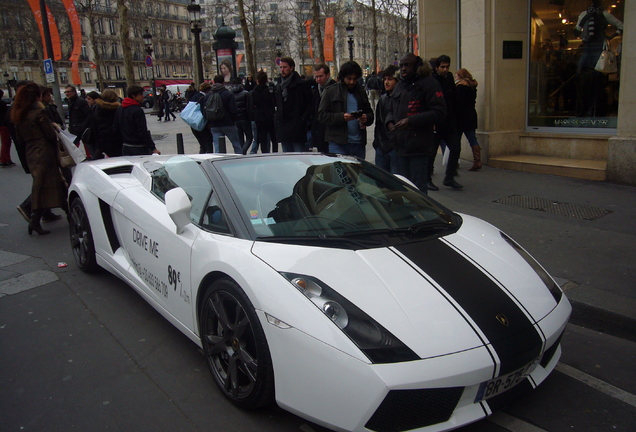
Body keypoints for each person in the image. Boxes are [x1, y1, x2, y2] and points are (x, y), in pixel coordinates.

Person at [10, 82, 68, 235]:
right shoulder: (38, 113)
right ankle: (35, 218)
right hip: (45, 152)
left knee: (51, 184)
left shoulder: (19, 114)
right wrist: (54, 128)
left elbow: (19, 138)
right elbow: (49, 134)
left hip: (31, 152)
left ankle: (62, 213)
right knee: (46, 185)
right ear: (36, 97)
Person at [385, 53, 446, 193]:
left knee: (418, 189)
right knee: (403, 188)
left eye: (408, 65)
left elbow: (439, 112)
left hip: (419, 146)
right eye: (402, 65)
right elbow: (391, 109)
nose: (404, 68)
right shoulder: (400, 85)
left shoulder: (430, 84)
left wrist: (411, 121)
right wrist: (389, 122)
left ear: (417, 66)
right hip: (400, 145)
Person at [574, 0, 623, 117]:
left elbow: (621, 25)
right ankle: (584, 108)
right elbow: (576, 31)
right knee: (580, 75)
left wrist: (611, 36)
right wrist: (586, 18)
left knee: (597, 79)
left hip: (598, 48)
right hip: (587, 48)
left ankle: (595, 110)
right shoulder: (584, 14)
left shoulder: (604, 14)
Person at [318, 61, 374, 159]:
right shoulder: (331, 91)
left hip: (358, 142)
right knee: (340, 173)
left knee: (357, 173)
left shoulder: (361, 92)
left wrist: (366, 118)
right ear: (343, 77)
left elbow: (370, 114)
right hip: (338, 142)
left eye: (354, 79)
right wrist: (341, 117)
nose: (352, 82)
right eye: (349, 79)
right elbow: (322, 115)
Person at [428, 54, 462, 190]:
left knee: (455, 148)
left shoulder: (449, 78)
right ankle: (427, 178)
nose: (445, 69)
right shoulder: (432, 80)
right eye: (442, 67)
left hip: (449, 121)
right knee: (431, 152)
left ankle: (449, 177)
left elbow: (453, 98)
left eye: (447, 67)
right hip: (437, 122)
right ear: (437, 67)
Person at [274, 57, 312, 152]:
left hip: (297, 128)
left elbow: (310, 104)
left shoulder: (302, 84)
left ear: (292, 68)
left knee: (300, 157)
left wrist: (302, 120)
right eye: (281, 67)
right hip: (284, 127)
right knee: (287, 158)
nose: (282, 70)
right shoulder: (279, 85)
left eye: (285, 67)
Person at [114, 85, 160, 156]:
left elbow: (116, 128)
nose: (143, 96)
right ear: (133, 96)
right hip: (138, 146)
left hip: (126, 145)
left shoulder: (120, 108)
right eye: (141, 94)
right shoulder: (137, 110)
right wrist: (153, 148)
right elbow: (142, 131)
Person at [372, 65, 400, 173]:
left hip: (395, 147)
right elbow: (378, 124)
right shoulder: (383, 99)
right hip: (381, 146)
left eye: (390, 79)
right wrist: (377, 144)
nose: (386, 82)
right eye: (385, 79)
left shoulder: (401, 98)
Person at [205, 74, 242, 154]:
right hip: (228, 123)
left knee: (218, 148)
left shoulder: (208, 95)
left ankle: (220, 162)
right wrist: (233, 121)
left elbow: (205, 110)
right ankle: (239, 160)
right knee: (236, 144)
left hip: (214, 124)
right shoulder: (228, 94)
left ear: (214, 82)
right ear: (223, 82)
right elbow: (233, 110)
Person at [455, 68, 481, 171]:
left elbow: (458, 103)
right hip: (471, 115)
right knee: (472, 139)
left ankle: (455, 161)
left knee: (456, 140)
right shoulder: (472, 86)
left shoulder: (460, 87)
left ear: (461, 76)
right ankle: (477, 160)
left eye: (456, 76)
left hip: (461, 117)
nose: (455, 78)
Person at [247, 71, 277, 154]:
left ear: (257, 80)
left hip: (259, 118)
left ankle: (264, 153)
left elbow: (251, 106)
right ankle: (275, 153)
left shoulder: (253, 92)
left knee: (262, 139)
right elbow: (274, 103)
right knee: (273, 138)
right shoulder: (269, 91)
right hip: (270, 117)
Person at [310, 63, 336, 154]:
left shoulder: (335, 88)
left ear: (328, 75)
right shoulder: (315, 89)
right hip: (319, 132)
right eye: (316, 77)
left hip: (332, 131)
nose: (318, 79)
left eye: (321, 76)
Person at [88, 89, 122, 158]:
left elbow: (94, 126)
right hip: (117, 140)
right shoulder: (118, 109)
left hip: (102, 140)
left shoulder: (97, 108)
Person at [230, 77, 253, 154]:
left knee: (240, 138)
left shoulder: (231, 94)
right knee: (249, 137)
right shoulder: (246, 93)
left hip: (236, 119)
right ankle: (243, 151)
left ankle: (241, 152)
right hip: (245, 118)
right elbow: (249, 107)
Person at [190, 82, 214, 153]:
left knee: (202, 144)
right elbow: (205, 112)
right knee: (208, 142)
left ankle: (201, 159)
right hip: (202, 123)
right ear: (207, 90)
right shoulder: (204, 98)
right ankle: (209, 159)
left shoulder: (194, 96)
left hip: (194, 123)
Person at [0, 89, 16, 167]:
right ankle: (4, 159)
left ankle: (6, 159)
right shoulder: (2, 104)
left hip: (2, 124)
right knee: (6, 142)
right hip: (3, 125)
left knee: (6, 142)